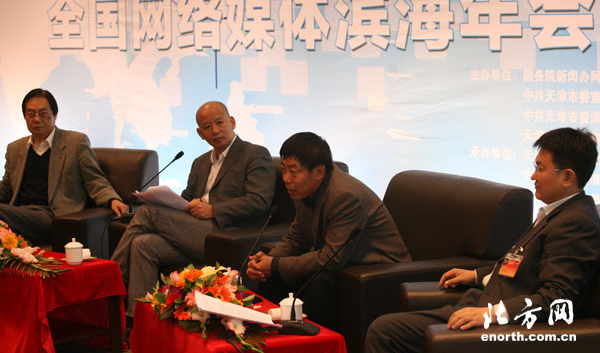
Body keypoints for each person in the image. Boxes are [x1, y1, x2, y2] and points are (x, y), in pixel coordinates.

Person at [365, 127, 600, 353]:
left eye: (540, 169)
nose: (533, 176)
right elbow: (525, 264)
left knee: (385, 332)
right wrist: (477, 275)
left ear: (567, 177)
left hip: (502, 324)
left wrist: (491, 314)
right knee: (387, 325)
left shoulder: (576, 224)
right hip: (481, 302)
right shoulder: (558, 212)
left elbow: (557, 299)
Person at [112, 101, 276, 318]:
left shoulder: (254, 154)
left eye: (220, 123)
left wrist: (213, 210)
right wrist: (171, 202)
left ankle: (111, 277)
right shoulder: (200, 162)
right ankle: (139, 320)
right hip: (193, 232)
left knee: (148, 212)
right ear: (200, 134)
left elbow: (259, 201)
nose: (215, 130)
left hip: (226, 235)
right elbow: (187, 199)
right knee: (143, 244)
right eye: (207, 127)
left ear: (232, 122)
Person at [247, 132, 411, 328]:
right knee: (273, 274)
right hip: (344, 263)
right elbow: (297, 238)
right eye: (283, 170)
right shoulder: (304, 189)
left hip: (381, 273)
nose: (286, 179)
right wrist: (267, 262)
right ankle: (266, 332)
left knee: (317, 281)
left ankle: (317, 341)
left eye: (293, 171)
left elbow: (330, 258)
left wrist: (275, 265)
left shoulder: (345, 196)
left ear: (319, 172)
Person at [0, 89, 128, 245]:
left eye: (43, 113)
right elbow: (6, 188)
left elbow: (94, 179)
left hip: (52, 215)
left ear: (55, 115)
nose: (36, 119)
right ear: (25, 117)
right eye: (31, 114)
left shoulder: (75, 142)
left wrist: (112, 199)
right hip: (19, 214)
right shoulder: (15, 148)